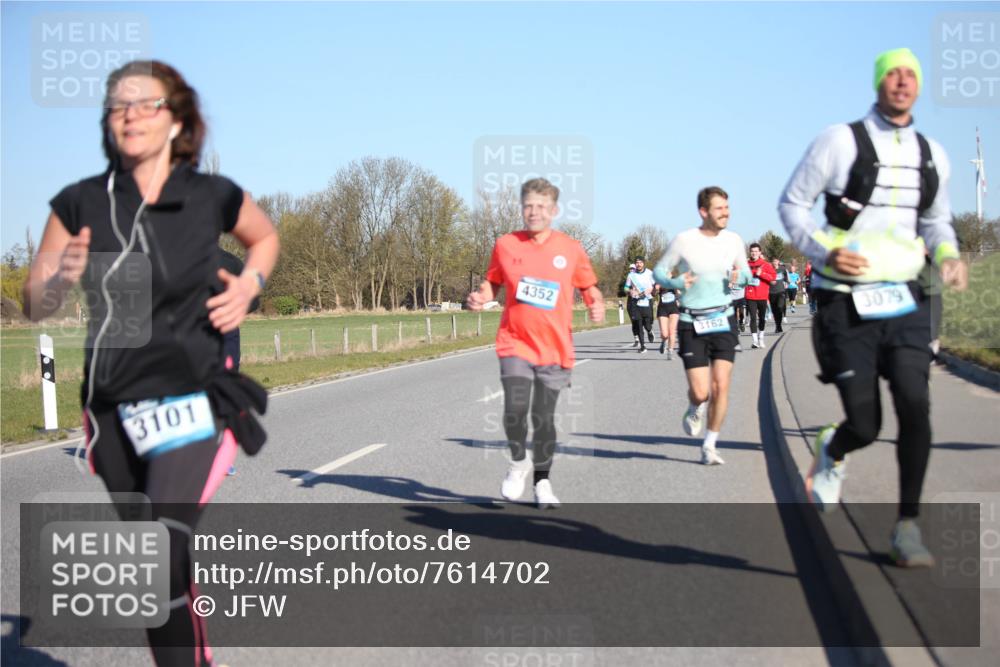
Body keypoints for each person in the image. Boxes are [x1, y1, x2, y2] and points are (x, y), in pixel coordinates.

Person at [23, 60, 280, 665]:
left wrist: (249, 286)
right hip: (112, 407)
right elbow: (35, 304)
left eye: (146, 103)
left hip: (191, 397)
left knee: (161, 555)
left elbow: (264, 240)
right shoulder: (79, 201)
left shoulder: (213, 197)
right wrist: (57, 278)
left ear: (177, 120)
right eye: (117, 105)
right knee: (154, 575)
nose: (130, 114)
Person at [778, 47, 968, 567]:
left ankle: (907, 527)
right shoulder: (839, 141)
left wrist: (948, 254)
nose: (902, 82)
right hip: (846, 301)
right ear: (879, 82)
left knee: (915, 403)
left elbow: (936, 219)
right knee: (866, 423)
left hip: (905, 297)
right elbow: (791, 204)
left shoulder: (933, 153)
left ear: (919, 85)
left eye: (911, 74)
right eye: (893, 74)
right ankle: (833, 449)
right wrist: (824, 250)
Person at [467, 177, 604, 507]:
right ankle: (518, 462)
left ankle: (543, 481)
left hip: (555, 347)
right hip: (515, 341)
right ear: (521, 207)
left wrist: (595, 303)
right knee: (514, 409)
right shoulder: (506, 244)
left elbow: (589, 286)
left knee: (543, 418)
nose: (533, 212)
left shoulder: (570, 249)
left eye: (541, 206)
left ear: (554, 210)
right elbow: (492, 282)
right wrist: (480, 297)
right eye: (528, 205)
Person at [653, 186, 750, 465]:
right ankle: (695, 406)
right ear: (704, 211)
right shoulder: (685, 240)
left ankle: (710, 444)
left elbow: (745, 273)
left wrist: (738, 276)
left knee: (721, 386)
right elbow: (660, 270)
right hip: (691, 321)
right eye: (720, 208)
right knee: (701, 391)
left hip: (723, 318)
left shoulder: (733, 240)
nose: (726, 213)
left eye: (727, 208)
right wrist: (674, 282)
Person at [218, 249, 262, 476]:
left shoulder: (178, 258)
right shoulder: (231, 262)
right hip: (226, 337)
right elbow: (254, 300)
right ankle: (222, 456)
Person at [744, 243, 776, 348]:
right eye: (752, 251)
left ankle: (761, 338)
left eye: (756, 251)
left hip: (762, 295)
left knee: (762, 318)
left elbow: (773, 278)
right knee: (753, 318)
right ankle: (754, 341)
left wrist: (761, 274)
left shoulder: (766, 265)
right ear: (750, 252)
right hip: (750, 295)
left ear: (760, 252)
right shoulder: (745, 264)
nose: (754, 253)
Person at [626, 257, 656, 352]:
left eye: (640, 262)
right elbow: (626, 288)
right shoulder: (631, 275)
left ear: (643, 263)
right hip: (636, 302)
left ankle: (649, 331)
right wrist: (630, 291)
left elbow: (655, 286)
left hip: (647, 300)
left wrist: (650, 291)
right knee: (638, 324)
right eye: (637, 262)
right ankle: (643, 346)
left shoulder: (649, 273)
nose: (638, 264)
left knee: (647, 323)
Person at [654, 283, 681, 358]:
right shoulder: (658, 281)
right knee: (665, 334)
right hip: (662, 309)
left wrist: (677, 290)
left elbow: (679, 294)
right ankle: (663, 341)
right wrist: (656, 289)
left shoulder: (674, 281)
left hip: (674, 308)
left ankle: (670, 352)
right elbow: (653, 294)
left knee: (672, 331)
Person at [769, 257, 789, 333]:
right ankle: (778, 326)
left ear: (778, 262)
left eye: (776, 261)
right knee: (774, 310)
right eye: (773, 261)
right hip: (771, 292)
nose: (775, 263)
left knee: (780, 308)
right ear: (772, 262)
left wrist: (786, 282)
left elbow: (786, 277)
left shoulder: (782, 269)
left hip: (781, 291)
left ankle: (779, 325)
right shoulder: (769, 269)